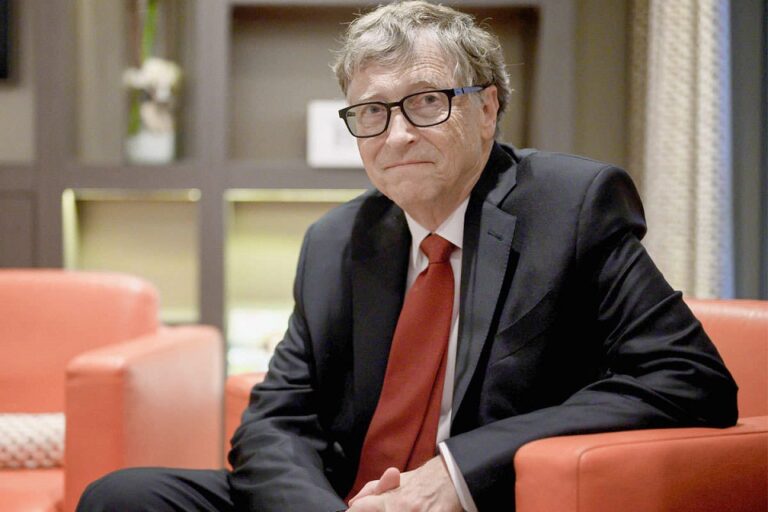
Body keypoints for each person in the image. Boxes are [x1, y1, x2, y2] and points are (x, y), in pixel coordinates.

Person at [77, 2, 737, 511]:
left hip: (480, 498)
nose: (396, 135)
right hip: (347, 498)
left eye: (425, 102)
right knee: (124, 497)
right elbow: (274, 422)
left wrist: (458, 471)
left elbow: (688, 378)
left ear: (487, 109)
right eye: (370, 111)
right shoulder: (336, 241)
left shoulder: (570, 207)